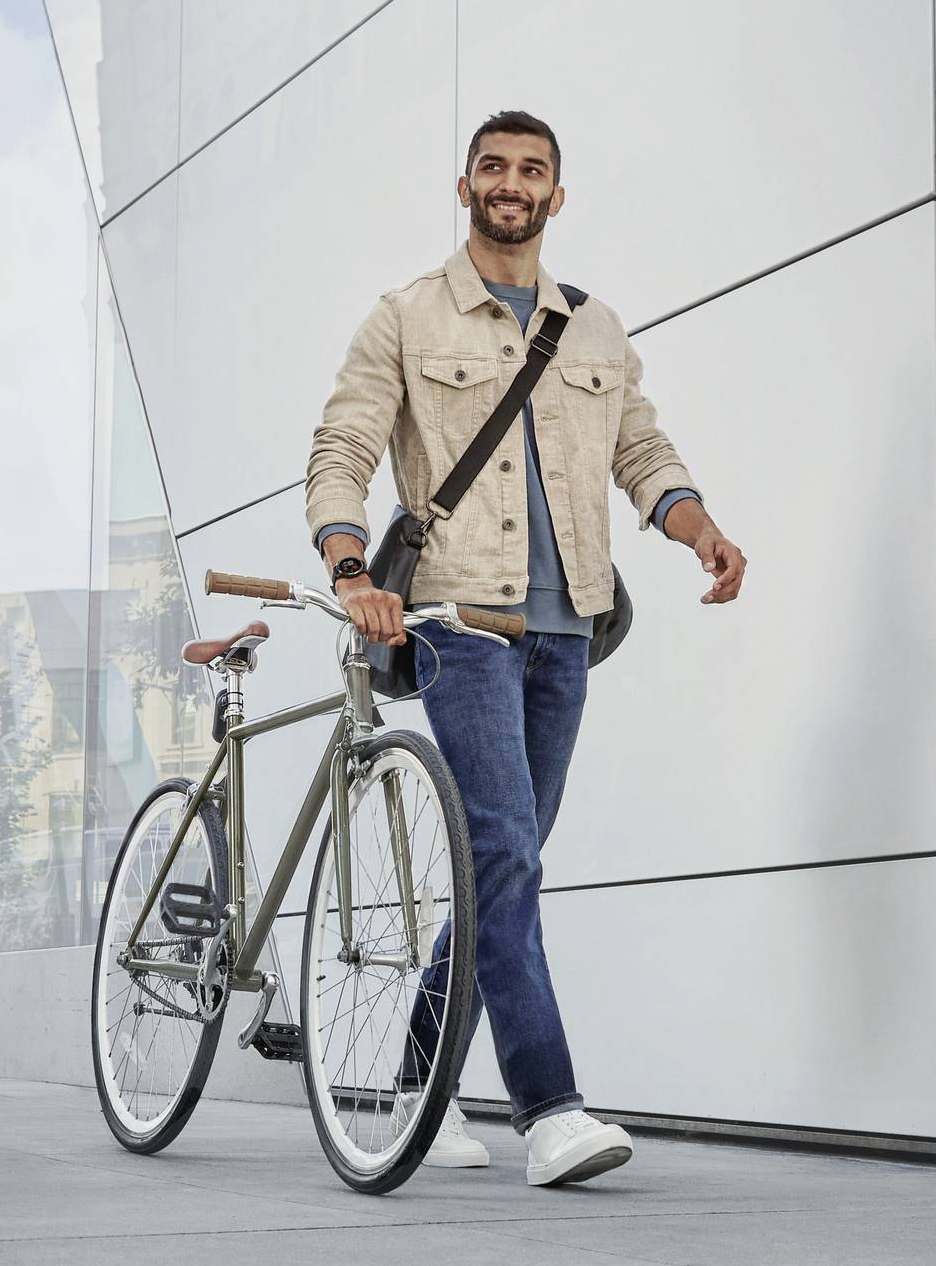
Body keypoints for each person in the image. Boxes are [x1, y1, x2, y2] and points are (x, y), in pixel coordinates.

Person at [306, 110, 748, 1186]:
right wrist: (351, 570)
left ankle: (416, 1080)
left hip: (569, 629)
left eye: (533, 171)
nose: (513, 184)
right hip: (461, 623)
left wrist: (699, 529)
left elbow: (640, 446)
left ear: (559, 195)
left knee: (505, 864)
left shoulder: (594, 329)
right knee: (504, 851)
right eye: (494, 169)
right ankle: (549, 1106)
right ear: (464, 188)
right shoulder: (404, 316)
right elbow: (345, 443)